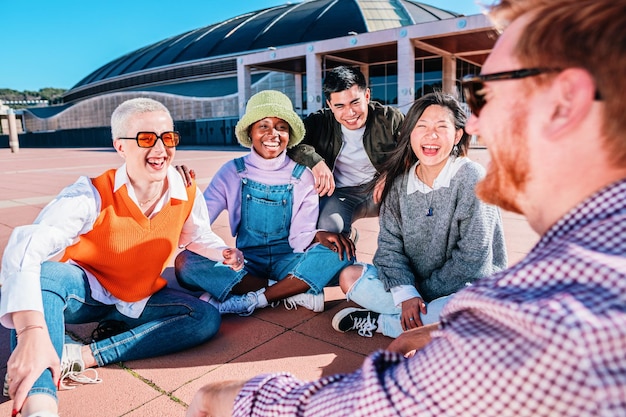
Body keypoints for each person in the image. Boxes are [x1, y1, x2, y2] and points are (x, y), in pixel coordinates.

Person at [185, 0, 626, 415]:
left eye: (485, 93)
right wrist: (422, 304)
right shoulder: (578, 261)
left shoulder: (559, 324)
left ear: (566, 102)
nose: (473, 121)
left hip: (428, 273)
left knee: (391, 280)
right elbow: (386, 242)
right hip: (379, 250)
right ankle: (394, 316)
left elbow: (376, 403)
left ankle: (383, 320)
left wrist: (233, 396)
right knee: (346, 263)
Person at [0, 97, 239, 417]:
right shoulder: (90, 194)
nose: (160, 148)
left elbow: (196, 235)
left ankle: (82, 356)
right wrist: (31, 331)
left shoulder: (186, 189)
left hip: (139, 297)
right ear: (120, 147)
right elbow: (25, 245)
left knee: (204, 319)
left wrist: (221, 250)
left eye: (167, 137)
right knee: (45, 275)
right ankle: (39, 403)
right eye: (145, 138)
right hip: (87, 294)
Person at [331, 92, 507, 339]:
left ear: (457, 134)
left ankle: (384, 324)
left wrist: (417, 295)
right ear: (410, 133)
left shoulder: (472, 178)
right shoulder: (399, 184)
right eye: (421, 126)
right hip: (414, 289)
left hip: (466, 289)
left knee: (472, 310)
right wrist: (406, 293)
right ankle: (423, 325)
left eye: (441, 127)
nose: (430, 135)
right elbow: (389, 248)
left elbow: (472, 260)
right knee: (350, 277)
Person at [175, 90, 355, 316]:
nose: (274, 134)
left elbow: (300, 237)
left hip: (288, 261)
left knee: (341, 254)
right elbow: (199, 224)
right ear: (250, 132)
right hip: (246, 262)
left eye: (281, 127)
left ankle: (253, 298)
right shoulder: (231, 171)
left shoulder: (303, 176)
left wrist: (318, 235)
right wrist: (223, 252)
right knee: (185, 264)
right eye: (264, 126)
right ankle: (290, 290)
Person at [287, 66, 404, 237]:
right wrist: (315, 162)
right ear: (329, 105)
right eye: (340, 106)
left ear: (367, 96)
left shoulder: (390, 118)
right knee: (329, 229)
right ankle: (349, 246)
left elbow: (412, 148)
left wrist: (391, 173)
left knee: (417, 212)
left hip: (382, 190)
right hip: (342, 193)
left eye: (355, 102)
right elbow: (291, 142)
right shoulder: (319, 122)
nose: (350, 113)